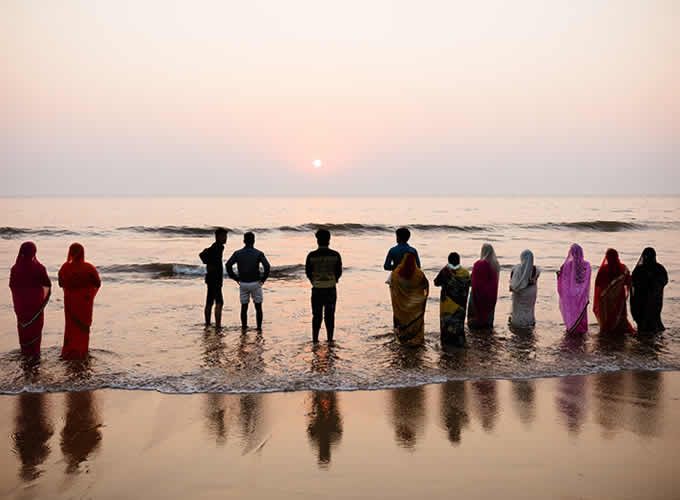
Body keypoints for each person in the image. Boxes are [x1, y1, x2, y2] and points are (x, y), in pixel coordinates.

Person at [58, 243, 101, 360]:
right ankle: (82, 352)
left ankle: (69, 352)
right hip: (84, 303)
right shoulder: (89, 268)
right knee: (83, 328)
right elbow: (97, 283)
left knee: (71, 327)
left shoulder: (65, 268)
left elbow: (60, 283)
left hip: (70, 302)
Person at [9, 242, 51, 359]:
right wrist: (41, 298)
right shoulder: (39, 268)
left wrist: (19, 299)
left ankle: (25, 354)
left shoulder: (15, 268)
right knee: (35, 330)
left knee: (23, 330)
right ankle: (35, 355)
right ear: (34, 252)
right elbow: (47, 284)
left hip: (21, 306)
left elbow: (12, 286)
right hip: (35, 306)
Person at [226, 232, 271, 330]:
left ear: (244, 241)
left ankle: (244, 328)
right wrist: (263, 279)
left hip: (243, 283)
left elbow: (228, 265)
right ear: (254, 241)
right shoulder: (259, 253)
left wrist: (235, 277)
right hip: (255, 283)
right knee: (258, 307)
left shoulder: (237, 253)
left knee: (244, 307)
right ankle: (259, 328)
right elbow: (267, 266)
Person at [305, 229, 342, 342]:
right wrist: (334, 280)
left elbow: (308, 272)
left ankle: (315, 339)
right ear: (329, 240)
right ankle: (330, 339)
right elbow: (339, 272)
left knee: (316, 316)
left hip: (317, 289)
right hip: (330, 288)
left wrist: (314, 281)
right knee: (330, 316)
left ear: (317, 240)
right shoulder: (335, 255)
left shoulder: (311, 255)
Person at [390, 252, 429, 346]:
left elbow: (392, 285)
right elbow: (425, 286)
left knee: (402, 319)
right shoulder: (419, 274)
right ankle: (415, 338)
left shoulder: (396, 273)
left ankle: (402, 338)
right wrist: (423, 297)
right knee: (414, 319)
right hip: (414, 304)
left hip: (401, 304)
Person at [593, 248, 633, 335]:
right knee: (620, 316)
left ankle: (608, 331)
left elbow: (598, 284)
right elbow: (629, 282)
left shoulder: (603, 269)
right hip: (619, 298)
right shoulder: (623, 268)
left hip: (606, 300)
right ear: (617, 256)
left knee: (608, 318)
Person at [434, 252, 470, 347]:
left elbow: (436, 282)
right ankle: (459, 341)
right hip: (460, 304)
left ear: (449, 261)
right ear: (459, 261)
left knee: (447, 321)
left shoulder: (445, 271)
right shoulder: (465, 273)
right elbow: (469, 284)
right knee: (459, 322)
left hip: (447, 304)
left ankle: (447, 341)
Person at [631, 247, 668, 333]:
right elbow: (665, 281)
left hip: (641, 300)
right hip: (656, 300)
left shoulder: (639, 269)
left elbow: (633, 282)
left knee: (643, 321)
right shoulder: (660, 268)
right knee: (654, 318)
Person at [557, 244, 591, 334]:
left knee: (571, 312)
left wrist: (559, 276)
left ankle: (572, 327)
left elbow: (562, 281)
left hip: (569, 294)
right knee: (581, 311)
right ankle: (581, 329)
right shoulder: (587, 265)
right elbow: (587, 281)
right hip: (581, 294)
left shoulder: (566, 265)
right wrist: (581, 291)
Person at [199, 228, 227, 329]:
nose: (225, 238)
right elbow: (205, 256)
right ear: (218, 236)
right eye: (224, 236)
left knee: (209, 301)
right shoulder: (219, 247)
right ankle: (218, 325)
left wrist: (208, 263)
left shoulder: (214, 247)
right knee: (219, 302)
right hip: (215, 278)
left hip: (210, 277)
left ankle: (208, 323)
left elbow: (203, 255)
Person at [467, 243, 500, 329]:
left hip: (478, 294)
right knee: (488, 317)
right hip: (491, 295)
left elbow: (473, 282)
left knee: (475, 319)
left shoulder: (479, 264)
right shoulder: (496, 265)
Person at [509, 249, 540, 329]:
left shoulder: (516, 269)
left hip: (519, 293)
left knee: (518, 309)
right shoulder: (536, 270)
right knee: (529, 308)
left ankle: (518, 323)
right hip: (531, 293)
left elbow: (512, 283)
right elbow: (534, 278)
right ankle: (529, 322)